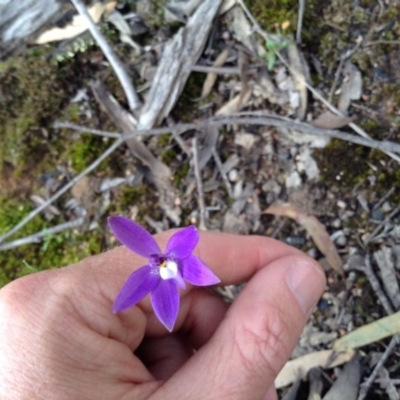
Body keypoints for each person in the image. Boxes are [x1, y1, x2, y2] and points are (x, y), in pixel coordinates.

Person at [0, 230, 325, 400]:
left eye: (161, 262)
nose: (160, 264)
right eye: (158, 262)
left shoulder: (184, 257)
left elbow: (196, 254)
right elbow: (127, 301)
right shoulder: (145, 282)